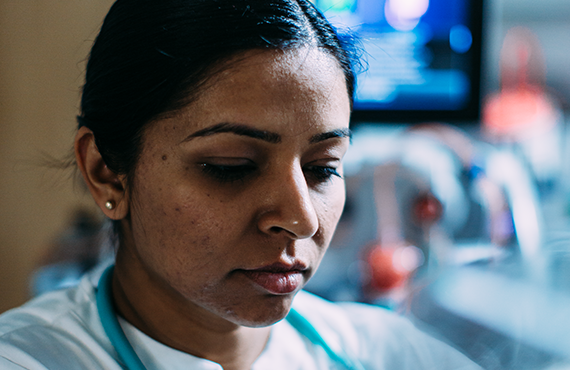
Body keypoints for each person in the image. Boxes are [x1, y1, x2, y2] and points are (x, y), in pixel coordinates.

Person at [0, 0, 482, 369]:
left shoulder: (388, 354)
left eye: (322, 168)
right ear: (107, 173)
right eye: (232, 166)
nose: (300, 217)